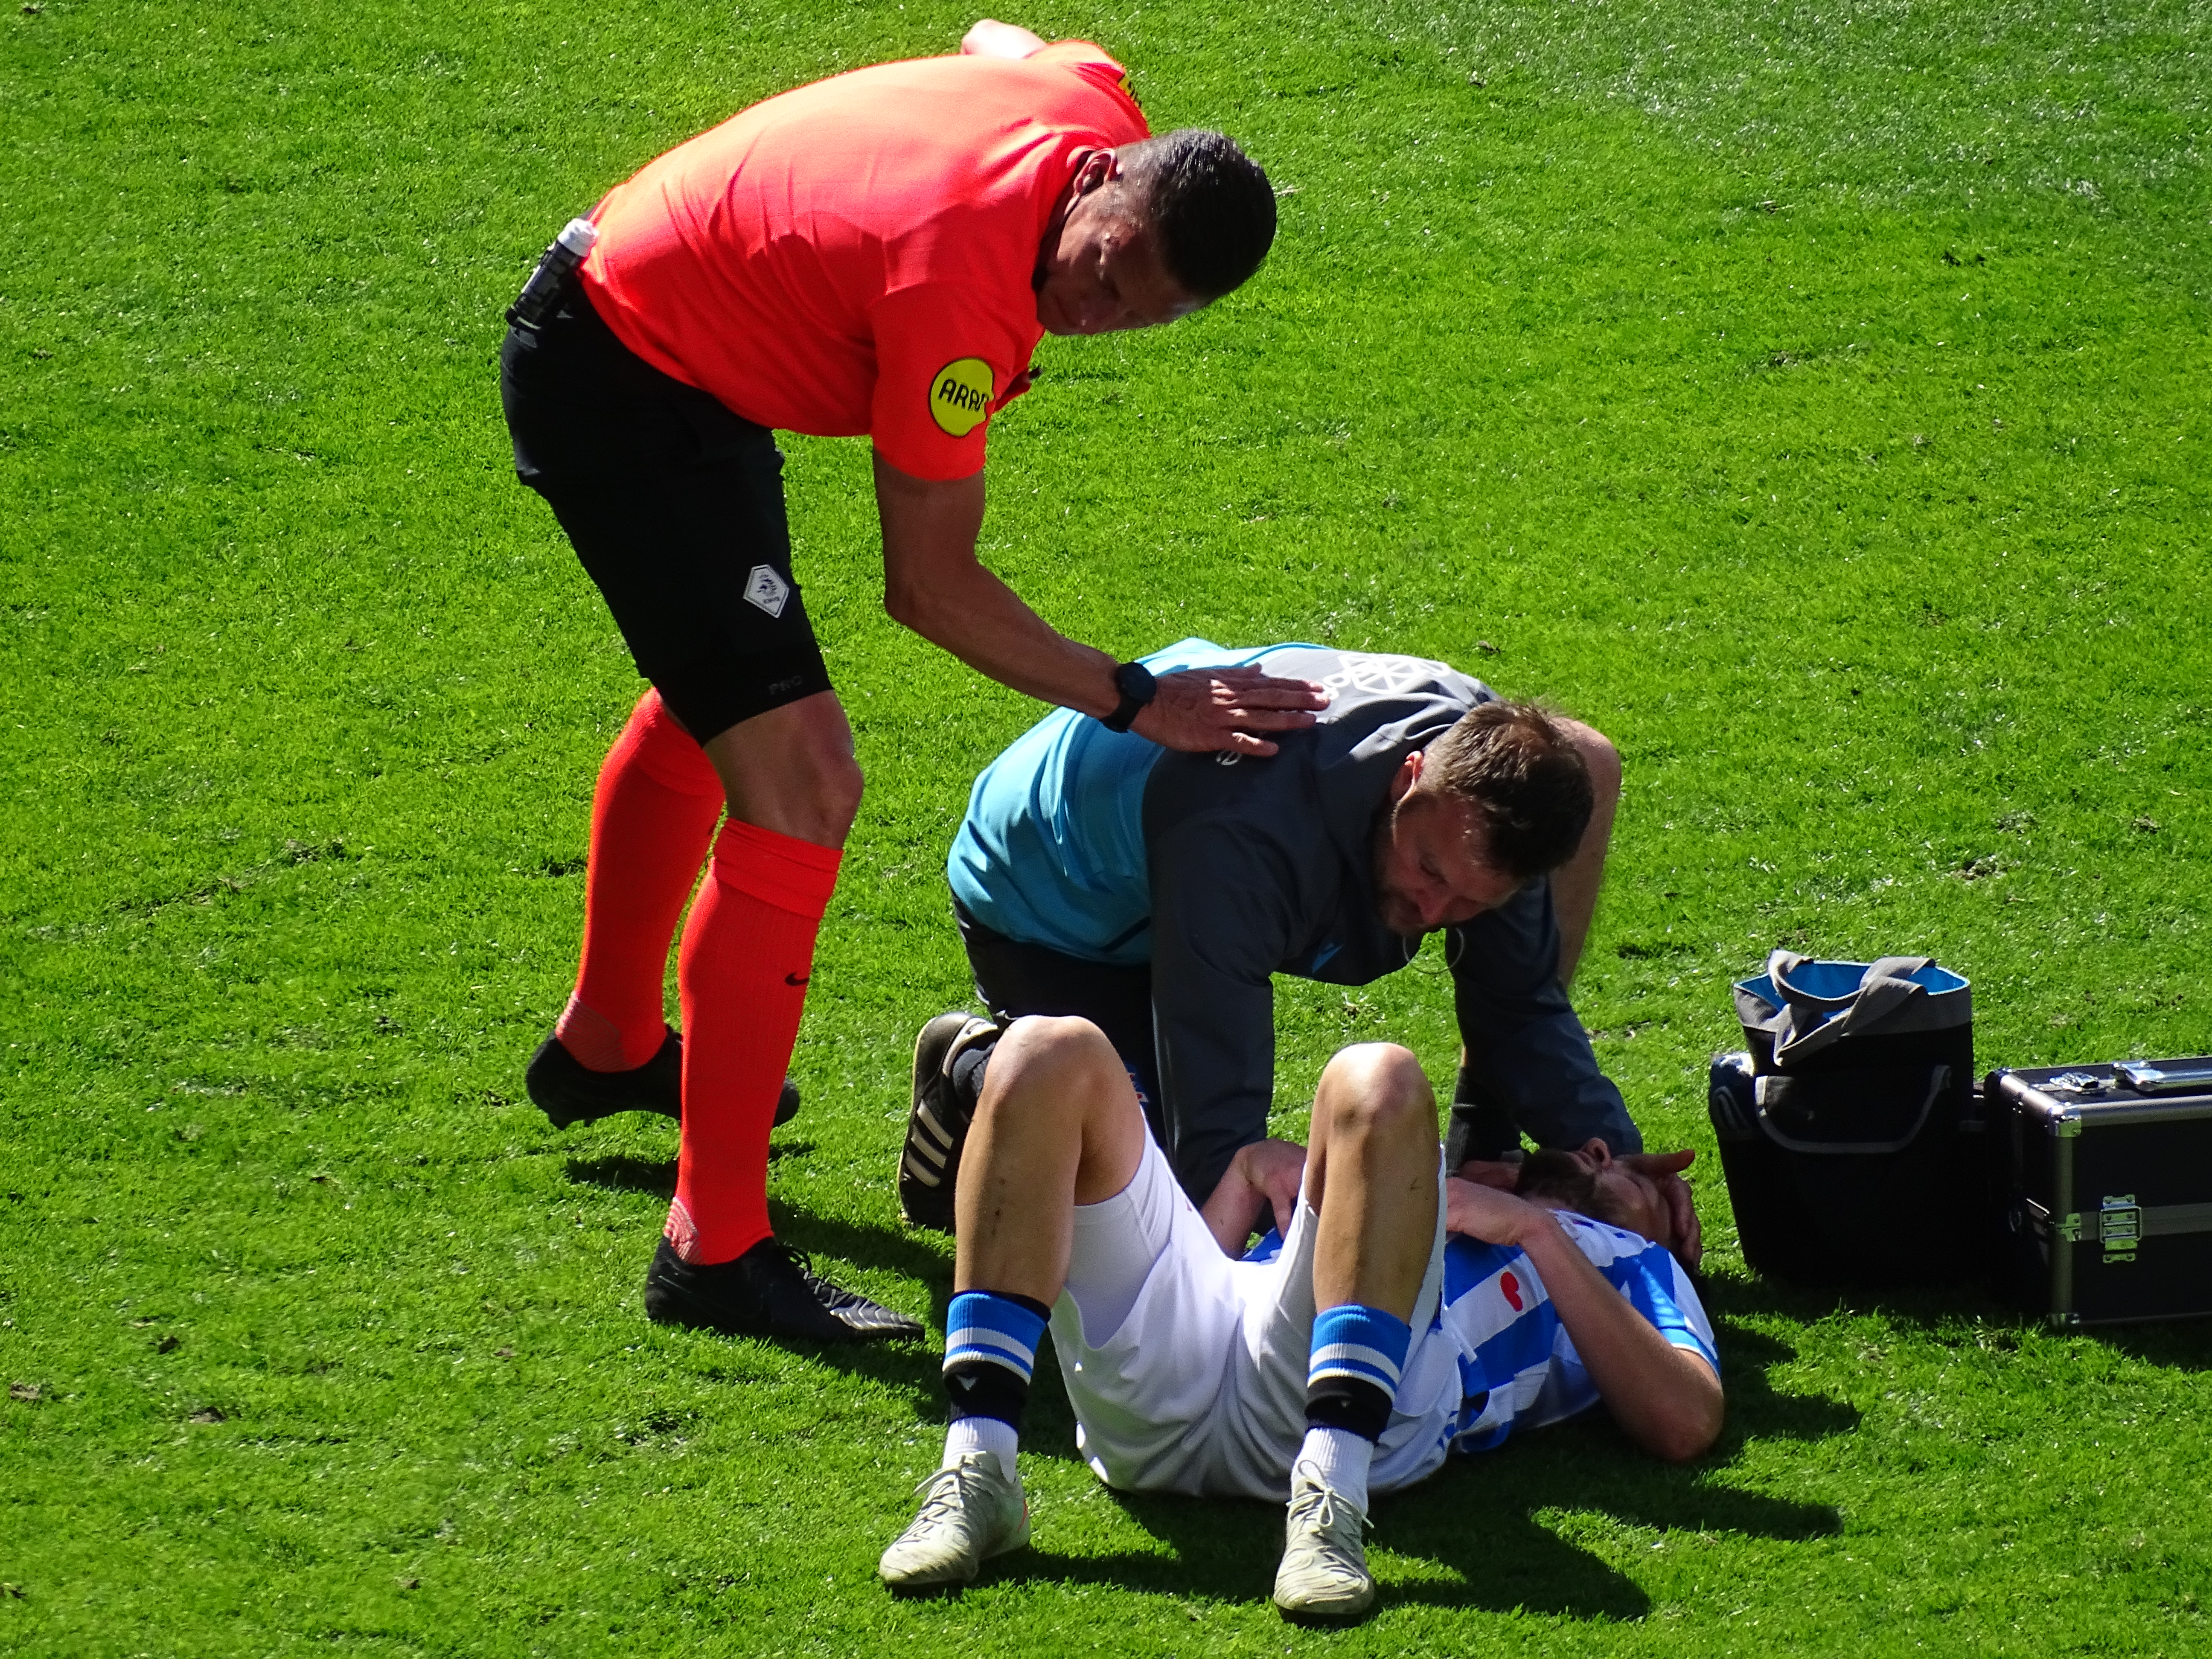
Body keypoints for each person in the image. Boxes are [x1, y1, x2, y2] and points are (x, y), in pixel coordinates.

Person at [497, 22, 1329, 1345]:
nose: (1092, 309)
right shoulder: (962, 297)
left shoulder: (1080, 97)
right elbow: (931, 589)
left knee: (727, 703)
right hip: (621, 378)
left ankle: (605, 1045)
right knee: (806, 784)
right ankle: (712, 1253)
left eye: (1136, 313)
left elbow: (1016, 35)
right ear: (1105, 180)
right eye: (1104, 268)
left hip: (671, 338)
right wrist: (1136, 698)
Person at [877, 1016, 1722, 1620]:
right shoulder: (1434, 1179)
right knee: (1046, 1048)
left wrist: (1539, 1231)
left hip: (1375, 1411)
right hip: (1192, 1380)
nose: (1613, 1160)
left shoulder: (1632, 1266)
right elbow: (1180, 1276)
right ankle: (980, 1473)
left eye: (1660, 1193)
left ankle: (1330, 1503)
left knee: (1383, 1072)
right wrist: (1245, 1174)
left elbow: (1685, 1421)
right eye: (1614, 1156)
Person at [900, 639, 1682, 1239]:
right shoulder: (1244, 835)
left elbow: (1519, 1004)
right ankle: (973, 1070)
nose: (1435, 908)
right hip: (1042, 902)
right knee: (1146, 1207)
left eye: (1473, 902)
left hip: (1179, 864)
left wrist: (1607, 1159)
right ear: (1408, 778)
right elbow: (1222, 1142)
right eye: (1427, 871)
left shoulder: (1490, 798)